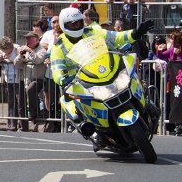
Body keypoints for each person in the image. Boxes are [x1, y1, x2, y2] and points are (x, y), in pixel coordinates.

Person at [49, 7, 153, 142]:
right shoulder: (59, 47)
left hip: (105, 72)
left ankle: (145, 103)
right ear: (64, 26)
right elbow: (56, 68)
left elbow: (115, 37)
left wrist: (136, 33)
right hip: (81, 83)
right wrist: (62, 78)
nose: (76, 26)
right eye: (72, 24)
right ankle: (92, 132)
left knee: (129, 77)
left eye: (79, 22)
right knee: (70, 103)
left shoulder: (93, 31)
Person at [14, 30, 48, 131]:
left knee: (31, 89)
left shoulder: (41, 50)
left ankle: (34, 114)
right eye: (26, 38)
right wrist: (20, 55)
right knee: (22, 100)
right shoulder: (24, 50)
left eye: (30, 38)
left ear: (36, 40)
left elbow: (38, 60)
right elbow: (17, 64)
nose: (27, 40)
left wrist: (30, 51)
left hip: (39, 79)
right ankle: (24, 124)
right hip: (26, 79)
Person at [0, 37, 21, 131]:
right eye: (3, 50)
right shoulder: (2, 51)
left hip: (18, 78)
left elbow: (20, 62)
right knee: (11, 102)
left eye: (6, 50)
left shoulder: (17, 49)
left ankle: (21, 123)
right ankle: (11, 124)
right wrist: (0, 60)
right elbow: (1, 63)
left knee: (19, 102)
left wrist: (10, 58)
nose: (5, 52)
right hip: (8, 78)